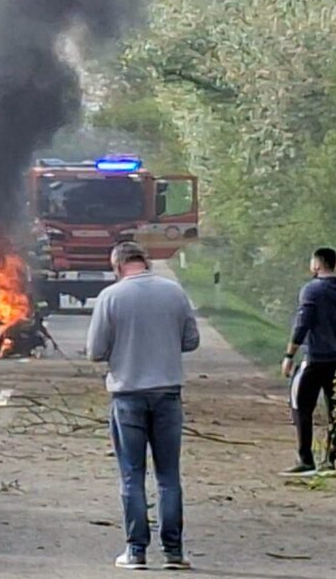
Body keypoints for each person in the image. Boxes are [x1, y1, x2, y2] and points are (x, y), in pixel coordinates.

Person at [86, 241, 200, 571]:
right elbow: (191, 340)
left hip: (128, 394)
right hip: (167, 393)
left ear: (117, 266)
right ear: (146, 262)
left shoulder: (111, 296)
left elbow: (95, 350)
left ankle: (136, 551)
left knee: (131, 475)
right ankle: (174, 552)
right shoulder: (174, 292)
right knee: (168, 476)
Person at [280, 246, 336, 477]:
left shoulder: (312, 290)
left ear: (317, 264)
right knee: (335, 409)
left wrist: (289, 355)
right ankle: (330, 460)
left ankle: (305, 458)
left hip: (315, 358)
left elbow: (302, 323)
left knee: (300, 406)